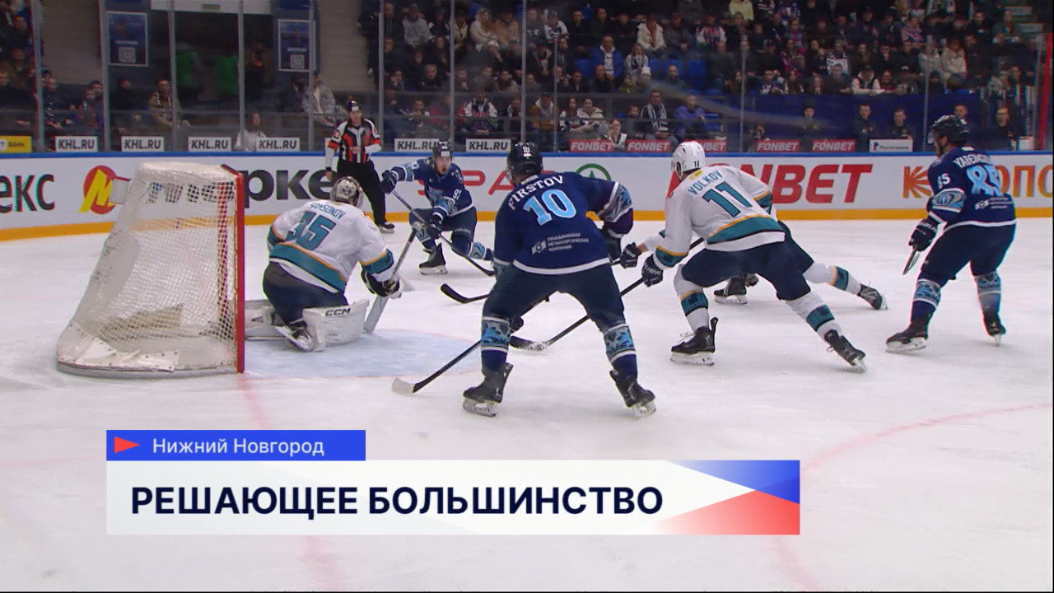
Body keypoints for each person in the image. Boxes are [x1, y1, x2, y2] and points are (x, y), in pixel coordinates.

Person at [619, 142, 867, 370]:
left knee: (685, 278)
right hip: (772, 237)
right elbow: (764, 193)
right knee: (801, 296)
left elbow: (676, 245)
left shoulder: (679, 194)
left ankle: (702, 337)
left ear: (677, 167)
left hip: (731, 251)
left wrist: (656, 264)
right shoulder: (725, 171)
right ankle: (837, 338)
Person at [464, 142, 654, 418]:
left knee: (496, 311)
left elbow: (504, 266)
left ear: (511, 172)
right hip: (591, 257)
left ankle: (491, 382)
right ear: (540, 166)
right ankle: (632, 386)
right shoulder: (569, 180)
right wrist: (613, 236)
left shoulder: (510, 205)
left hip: (539, 263)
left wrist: (513, 308)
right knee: (612, 319)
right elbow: (619, 195)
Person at [887, 116, 1016, 352]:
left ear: (945, 139)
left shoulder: (943, 163)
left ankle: (917, 328)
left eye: (937, 137)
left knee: (931, 275)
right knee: (986, 270)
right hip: (1005, 222)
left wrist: (930, 223)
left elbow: (953, 199)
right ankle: (993, 321)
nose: (935, 142)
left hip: (973, 225)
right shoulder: (983, 156)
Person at [264, 177, 402, 351]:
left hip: (272, 278)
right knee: (340, 322)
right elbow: (380, 264)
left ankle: (287, 314)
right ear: (357, 199)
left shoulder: (311, 205)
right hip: (310, 291)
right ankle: (301, 325)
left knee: (289, 294)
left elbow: (275, 233)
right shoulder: (360, 220)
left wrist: (286, 263)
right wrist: (389, 284)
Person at [380, 142, 493, 275]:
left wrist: (436, 219)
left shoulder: (455, 175)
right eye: (441, 159)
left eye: (448, 159)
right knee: (415, 217)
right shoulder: (426, 166)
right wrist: (393, 177)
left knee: (460, 247)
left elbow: (448, 202)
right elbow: (406, 169)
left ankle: (495, 257)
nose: (445, 163)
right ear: (434, 159)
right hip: (441, 216)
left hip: (463, 215)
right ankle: (435, 256)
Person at [324, 99, 393, 233]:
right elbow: (331, 147)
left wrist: (363, 150)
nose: (355, 116)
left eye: (357, 112)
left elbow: (378, 145)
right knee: (344, 196)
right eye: (352, 113)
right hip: (347, 167)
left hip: (365, 167)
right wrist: (328, 168)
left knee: (377, 193)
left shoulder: (369, 125)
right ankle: (340, 223)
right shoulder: (343, 127)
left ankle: (380, 221)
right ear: (349, 114)